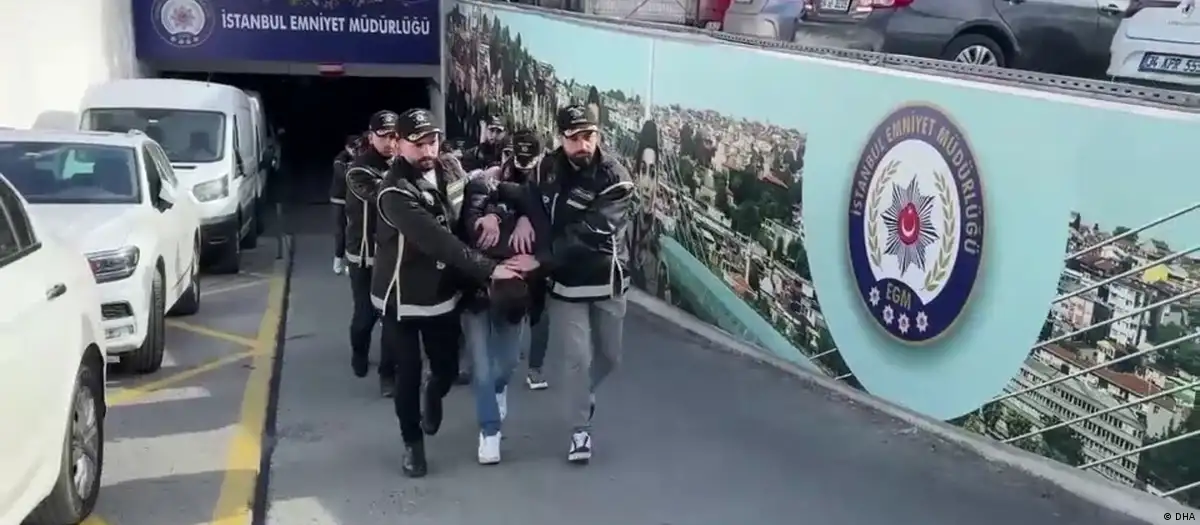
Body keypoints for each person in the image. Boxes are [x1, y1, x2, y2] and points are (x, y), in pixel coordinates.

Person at [372, 108, 524, 478]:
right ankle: (413, 445)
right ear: (399, 144)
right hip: (401, 298)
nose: (428, 150)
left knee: (446, 369)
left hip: (442, 293)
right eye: (418, 143)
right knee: (408, 374)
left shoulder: (452, 169)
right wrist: (490, 269)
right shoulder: (394, 191)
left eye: (433, 141)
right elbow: (438, 240)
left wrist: (495, 214)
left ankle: (434, 391)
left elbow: (478, 194)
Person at [520, 105, 634, 464]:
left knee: (610, 358)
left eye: (590, 136)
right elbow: (530, 199)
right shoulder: (545, 168)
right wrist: (522, 219)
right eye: (575, 138)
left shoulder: (616, 177)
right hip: (565, 282)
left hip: (606, 277)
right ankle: (579, 429)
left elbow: (591, 231)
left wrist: (542, 258)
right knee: (577, 358)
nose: (583, 144)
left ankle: (582, 395)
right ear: (561, 138)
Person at [458, 137, 541, 463]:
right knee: (481, 366)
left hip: (513, 294)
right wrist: (489, 216)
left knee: (506, 363)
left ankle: (499, 388)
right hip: (477, 289)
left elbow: (543, 216)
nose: (521, 165)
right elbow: (470, 221)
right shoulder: (481, 183)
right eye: (515, 157)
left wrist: (526, 217)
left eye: (529, 159)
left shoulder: (537, 193)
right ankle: (489, 431)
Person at [343, 111, 398, 395]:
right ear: (371, 135)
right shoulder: (358, 168)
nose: (390, 142)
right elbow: (382, 195)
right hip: (363, 255)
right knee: (365, 317)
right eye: (383, 136)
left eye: (394, 136)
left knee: (392, 319)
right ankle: (359, 351)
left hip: (392, 255)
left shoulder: (402, 164)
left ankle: (388, 375)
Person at [330, 133, 363, 277]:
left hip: (353, 199)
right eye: (352, 148)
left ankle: (350, 263)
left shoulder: (360, 157)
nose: (355, 151)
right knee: (340, 232)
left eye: (357, 148)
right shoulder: (340, 159)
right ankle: (337, 261)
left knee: (352, 231)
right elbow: (343, 175)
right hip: (339, 199)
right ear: (346, 147)